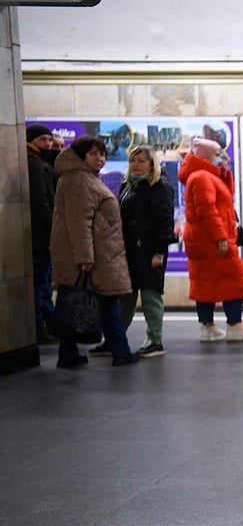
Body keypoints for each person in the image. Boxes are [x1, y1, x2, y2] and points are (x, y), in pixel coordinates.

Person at [49, 136, 139, 368]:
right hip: (94, 255)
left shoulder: (81, 178)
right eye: (93, 154)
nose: (100, 159)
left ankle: (67, 354)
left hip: (96, 252)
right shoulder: (80, 180)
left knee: (75, 301)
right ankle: (121, 352)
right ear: (81, 157)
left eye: (102, 154)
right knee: (107, 302)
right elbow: (80, 223)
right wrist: (85, 257)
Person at [178, 137, 243, 342]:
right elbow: (207, 211)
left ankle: (208, 327)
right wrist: (221, 238)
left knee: (205, 283)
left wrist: (224, 171)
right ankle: (235, 324)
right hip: (213, 240)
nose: (222, 157)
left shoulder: (202, 176)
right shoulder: (202, 177)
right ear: (205, 157)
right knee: (233, 281)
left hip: (204, 240)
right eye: (217, 154)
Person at [112, 145, 176, 357]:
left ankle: (155, 340)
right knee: (125, 298)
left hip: (150, 252)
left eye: (141, 161)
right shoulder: (127, 186)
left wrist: (159, 252)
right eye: (133, 161)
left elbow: (165, 221)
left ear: (152, 164)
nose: (136, 165)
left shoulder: (159, 186)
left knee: (150, 298)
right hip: (129, 252)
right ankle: (116, 338)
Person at [25, 124, 57, 343]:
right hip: (41, 238)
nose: (48, 144)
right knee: (41, 283)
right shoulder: (34, 164)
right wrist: (49, 237)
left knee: (43, 281)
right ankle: (41, 325)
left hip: (39, 236)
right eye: (42, 140)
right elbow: (41, 204)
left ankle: (44, 324)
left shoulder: (37, 161)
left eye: (49, 139)